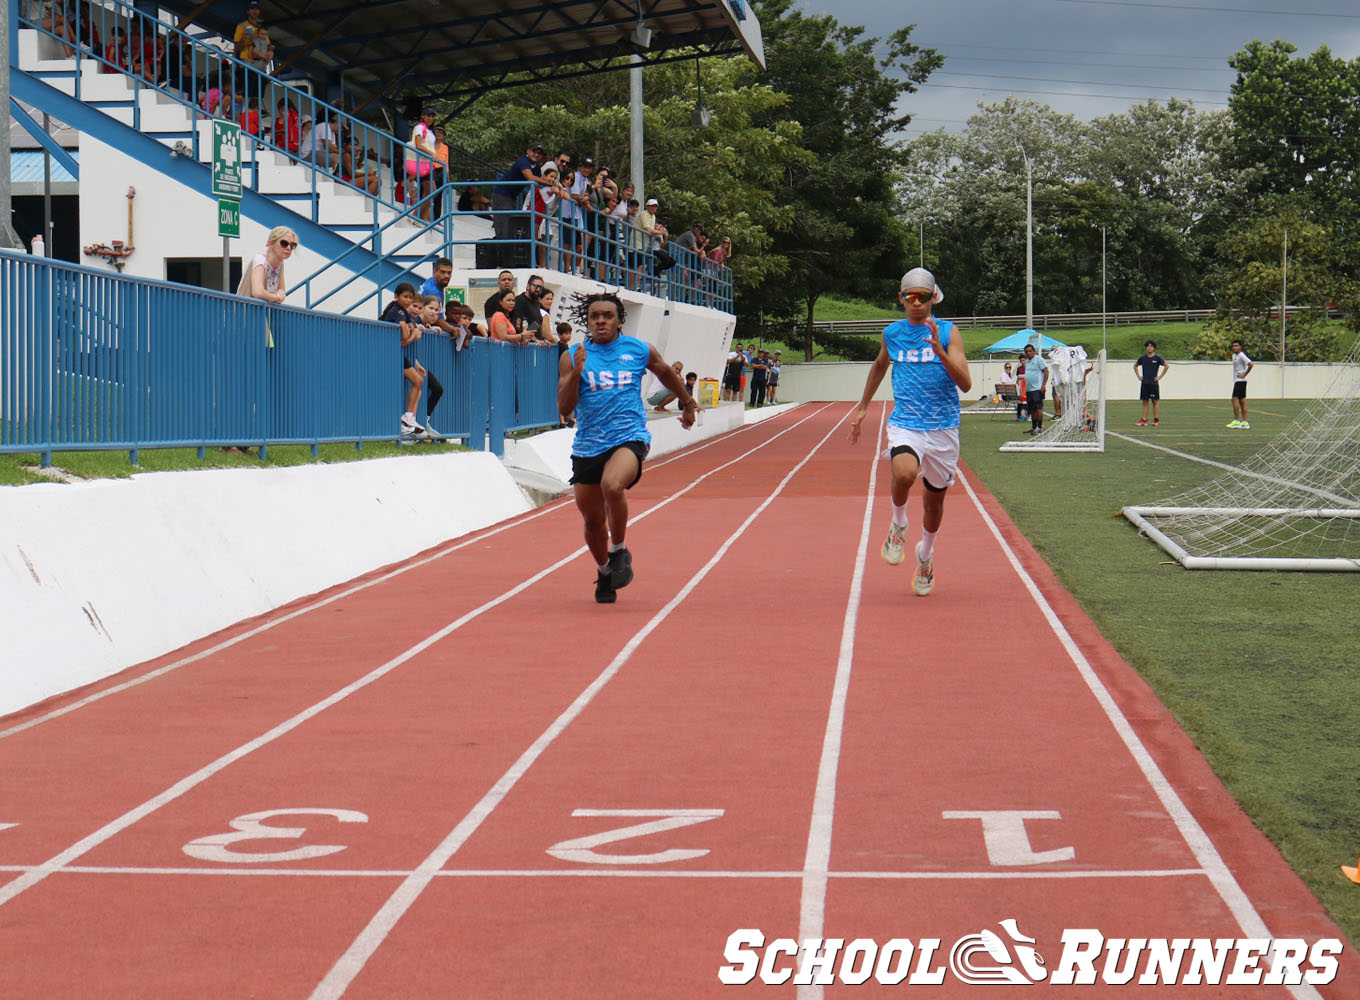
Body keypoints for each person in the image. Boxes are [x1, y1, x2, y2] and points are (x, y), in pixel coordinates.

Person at [558, 292, 698, 603]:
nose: (601, 321)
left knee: (612, 485)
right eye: (595, 316)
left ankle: (619, 549)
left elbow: (665, 371)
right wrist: (577, 373)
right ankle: (605, 572)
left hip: (629, 436)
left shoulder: (638, 349)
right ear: (588, 321)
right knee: (593, 521)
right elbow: (565, 406)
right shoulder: (573, 355)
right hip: (587, 445)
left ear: (620, 320)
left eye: (608, 316)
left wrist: (687, 403)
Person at [848, 267, 971, 598]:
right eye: (909, 297)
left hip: (943, 429)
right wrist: (862, 407)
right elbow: (879, 365)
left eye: (923, 297)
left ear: (934, 298)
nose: (916, 303)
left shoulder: (948, 332)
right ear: (900, 299)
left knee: (934, 504)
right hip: (906, 423)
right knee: (903, 473)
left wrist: (940, 352)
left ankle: (925, 556)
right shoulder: (892, 333)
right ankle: (899, 522)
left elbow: (965, 383)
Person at [490, 141, 547, 240]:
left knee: (509, 225)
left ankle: (502, 249)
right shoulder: (523, 161)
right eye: (534, 151)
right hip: (501, 194)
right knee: (504, 225)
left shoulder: (537, 167)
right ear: (528, 151)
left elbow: (539, 183)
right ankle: (499, 250)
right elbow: (530, 177)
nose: (536, 154)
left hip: (511, 197)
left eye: (539, 153)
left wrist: (555, 187)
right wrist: (549, 183)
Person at [1133, 339, 1168, 426]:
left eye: (1151, 346)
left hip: (1153, 384)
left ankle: (1156, 420)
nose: (1149, 348)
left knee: (1155, 401)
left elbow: (1166, 366)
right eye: (1148, 346)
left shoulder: (1157, 358)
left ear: (1154, 348)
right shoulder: (1143, 358)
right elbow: (1135, 366)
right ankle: (1144, 420)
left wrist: (1160, 377)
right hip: (1145, 383)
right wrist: (1139, 376)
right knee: (1145, 401)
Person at [1021, 343, 1048, 434]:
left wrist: (1043, 385)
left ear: (1034, 352)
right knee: (1032, 409)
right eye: (1026, 352)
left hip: (1037, 388)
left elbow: (1046, 371)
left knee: (1038, 408)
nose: (1028, 353)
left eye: (1030, 351)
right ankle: (1034, 427)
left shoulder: (1039, 360)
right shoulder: (1027, 362)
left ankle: (1039, 427)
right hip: (1029, 389)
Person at [1228, 339, 1253, 428]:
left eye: (1237, 346)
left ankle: (1237, 421)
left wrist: (1244, 374)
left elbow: (1250, 364)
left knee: (1234, 399)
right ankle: (1245, 422)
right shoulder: (1234, 355)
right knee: (1242, 401)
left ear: (1240, 347)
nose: (1235, 347)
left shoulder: (1242, 355)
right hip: (1239, 381)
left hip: (1240, 381)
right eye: (1233, 346)